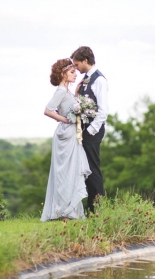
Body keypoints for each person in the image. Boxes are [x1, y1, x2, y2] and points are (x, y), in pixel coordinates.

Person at [41, 58, 92, 221]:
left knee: (72, 171)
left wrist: (76, 94)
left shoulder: (67, 91)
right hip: (65, 134)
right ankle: (62, 211)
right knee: (64, 172)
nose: (75, 75)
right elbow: (48, 110)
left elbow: (68, 106)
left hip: (72, 134)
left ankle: (70, 211)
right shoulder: (61, 91)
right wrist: (64, 119)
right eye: (72, 72)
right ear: (63, 74)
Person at [70, 46, 108, 213]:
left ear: (86, 61)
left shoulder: (99, 80)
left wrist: (90, 131)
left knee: (93, 169)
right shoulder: (86, 79)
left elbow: (103, 111)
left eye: (77, 64)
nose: (75, 68)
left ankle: (97, 210)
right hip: (84, 129)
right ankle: (90, 209)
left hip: (92, 131)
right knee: (86, 170)